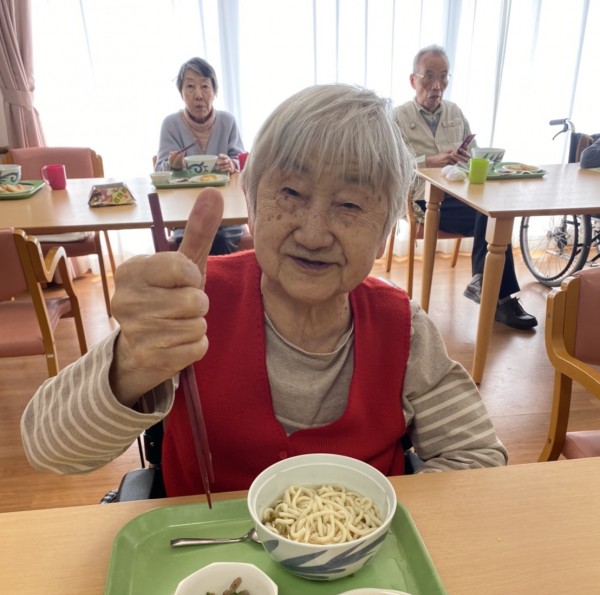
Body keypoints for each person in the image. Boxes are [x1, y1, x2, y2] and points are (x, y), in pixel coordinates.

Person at [21, 84, 507, 498]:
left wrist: (383, 523)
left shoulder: (404, 331)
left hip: (361, 573)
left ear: (386, 233)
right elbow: (48, 448)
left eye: (351, 205)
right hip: (204, 560)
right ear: (251, 204)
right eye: (290, 193)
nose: (313, 233)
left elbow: (477, 457)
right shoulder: (191, 304)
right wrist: (131, 362)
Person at [394, 45, 537, 330]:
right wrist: (429, 161)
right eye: (429, 76)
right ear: (413, 80)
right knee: (488, 213)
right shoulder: (398, 116)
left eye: (444, 77)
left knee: (494, 211)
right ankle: (500, 299)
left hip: (459, 193)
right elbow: (391, 164)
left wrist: (468, 158)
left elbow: (475, 154)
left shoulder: (455, 112)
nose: (437, 85)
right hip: (423, 199)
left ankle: (488, 289)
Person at [155, 57, 245, 254]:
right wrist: (172, 165)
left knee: (220, 239)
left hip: (227, 213)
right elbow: (160, 171)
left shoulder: (227, 122)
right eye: (190, 87)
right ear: (181, 92)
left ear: (214, 91)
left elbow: (242, 163)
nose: (198, 95)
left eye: (205, 86)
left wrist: (231, 164)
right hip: (185, 215)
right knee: (195, 241)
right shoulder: (171, 124)